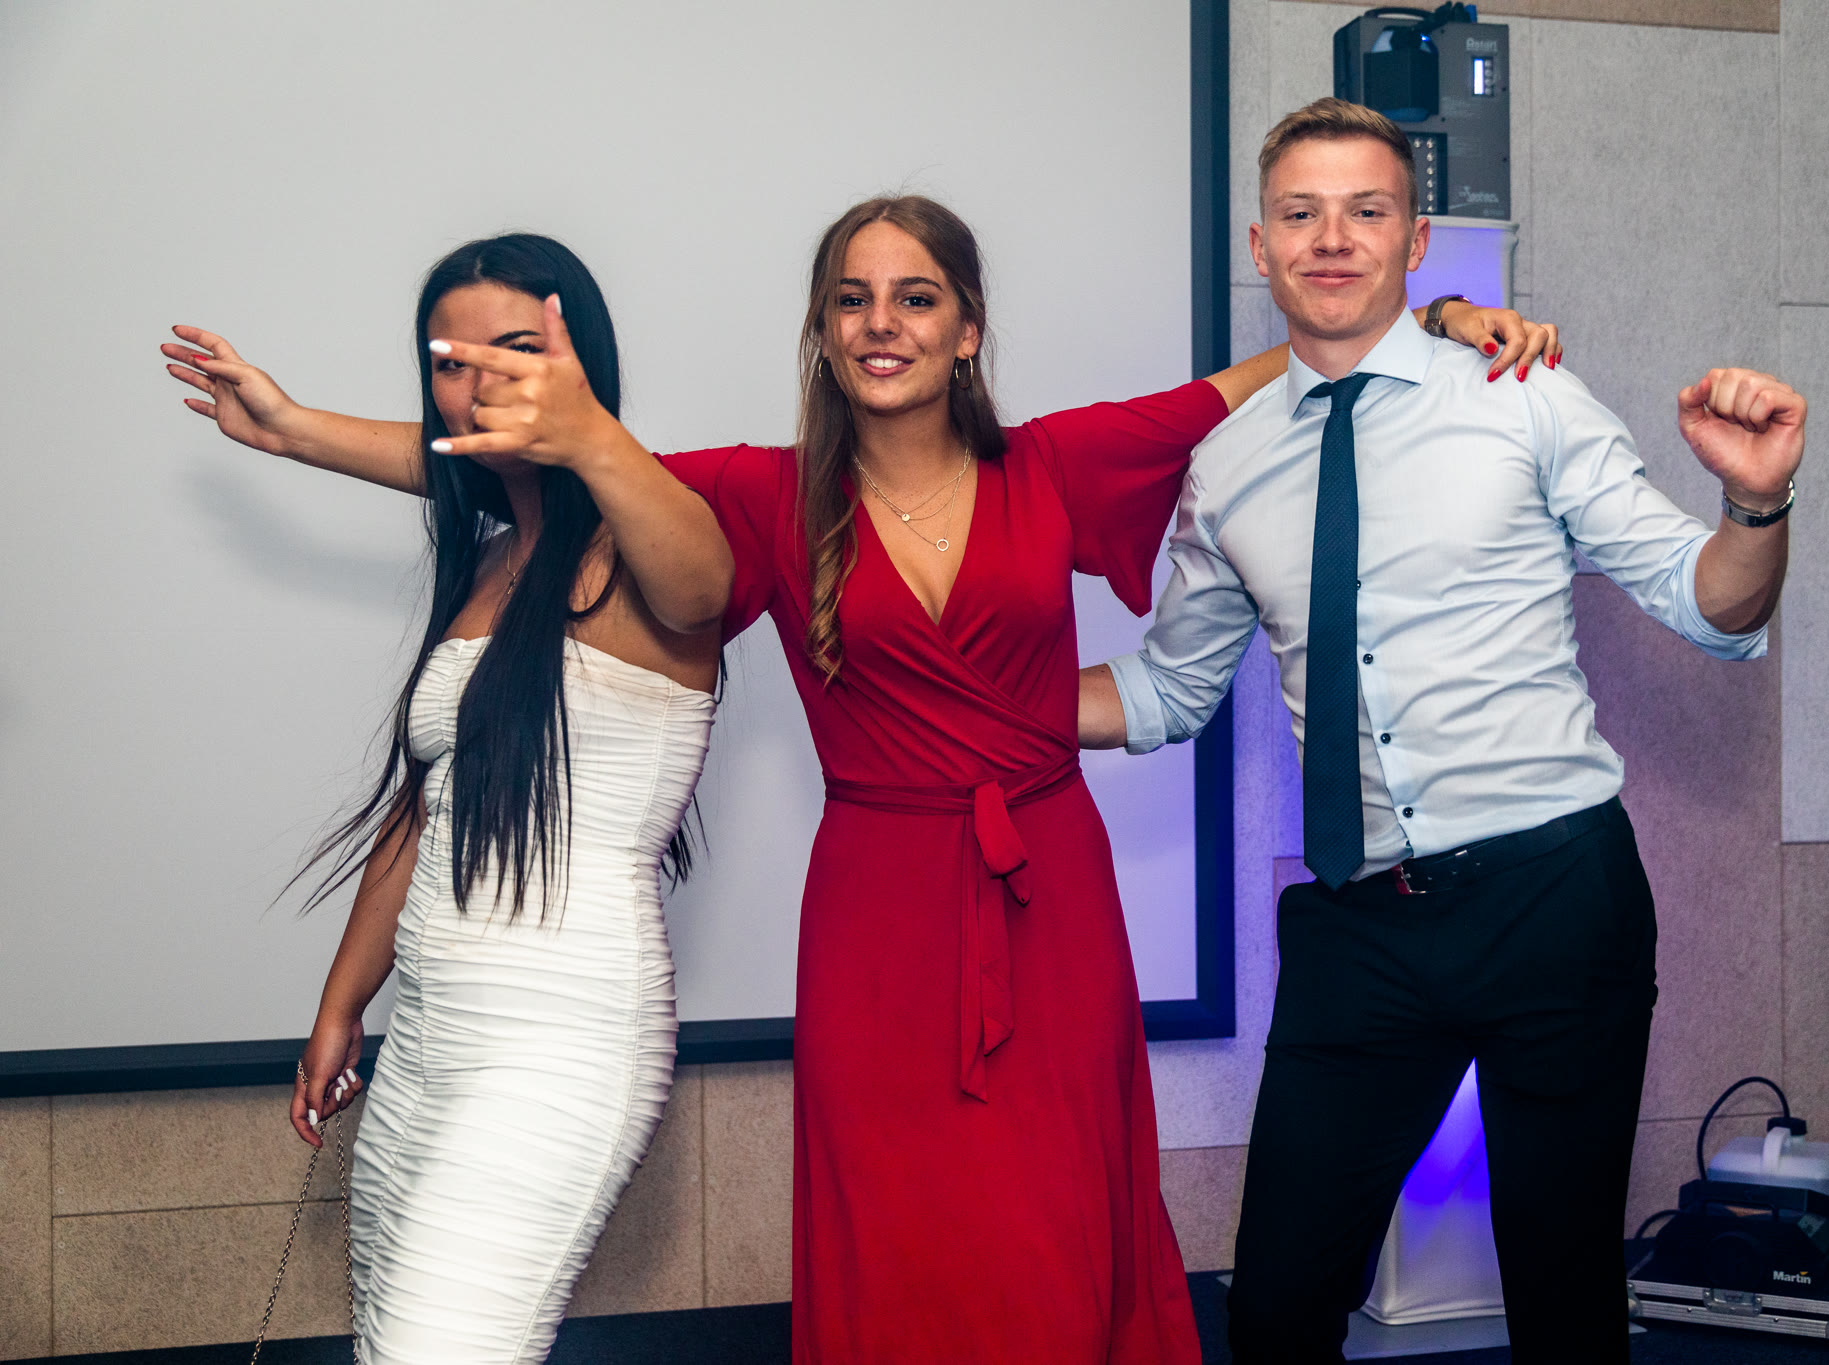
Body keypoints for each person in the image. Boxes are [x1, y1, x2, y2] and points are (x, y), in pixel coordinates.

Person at [162, 200, 1553, 1364]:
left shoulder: (1057, 462)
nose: (883, 322)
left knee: (1056, 1221)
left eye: (916, 297)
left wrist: (1424, 323)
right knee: (900, 1230)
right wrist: (294, 430)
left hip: (1047, 903)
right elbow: (510, 459)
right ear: (823, 333)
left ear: (966, 329)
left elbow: (1253, 385)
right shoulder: (767, 495)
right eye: (851, 299)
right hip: (878, 915)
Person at [1078, 99, 1806, 1363]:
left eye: (1364, 211)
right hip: (1358, 929)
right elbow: (1166, 692)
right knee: (1275, 1308)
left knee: (1563, 1300)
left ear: (1413, 243)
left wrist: (1755, 503)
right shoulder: (1225, 465)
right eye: (1300, 213)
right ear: (1259, 245)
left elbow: (1712, 606)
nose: (1330, 239)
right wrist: (972, 690)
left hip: (1551, 900)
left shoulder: (1525, 398)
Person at [167, 233, 734, 1362]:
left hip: (559, 1046)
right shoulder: (488, 562)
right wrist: (342, 1006)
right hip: (429, 1038)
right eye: (450, 362)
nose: (480, 383)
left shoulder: (645, 551)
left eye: (516, 351)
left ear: (580, 360)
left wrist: (589, 433)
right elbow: (429, 815)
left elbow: (704, 582)